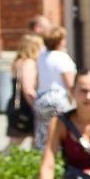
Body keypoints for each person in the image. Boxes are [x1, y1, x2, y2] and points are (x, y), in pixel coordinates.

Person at [34, 26, 78, 154]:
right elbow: (70, 83)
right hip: (59, 98)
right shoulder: (62, 57)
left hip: (42, 97)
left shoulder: (41, 57)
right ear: (60, 41)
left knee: (44, 136)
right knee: (64, 133)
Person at [5, 33, 42, 150]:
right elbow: (28, 88)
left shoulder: (19, 62)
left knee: (32, 139)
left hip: (17, 105)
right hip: (25, 107)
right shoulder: (28, 63)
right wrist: (37, 106)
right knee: (16, 142)